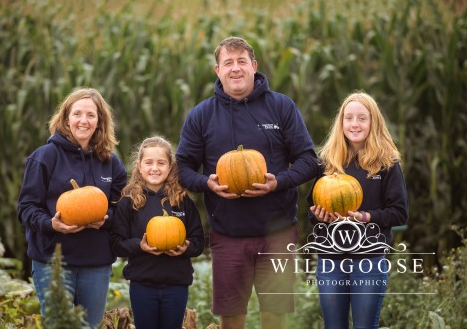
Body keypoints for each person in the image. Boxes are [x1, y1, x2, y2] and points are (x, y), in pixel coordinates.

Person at [176, 36, 318, 329]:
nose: (236, 68)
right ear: (218, 70)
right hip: (228, 234)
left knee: (275, 317)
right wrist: (207, 183)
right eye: (228, 62)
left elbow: (308, 161)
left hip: (278, 233)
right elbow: (182, 168)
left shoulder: (281, 107)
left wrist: (278, 182)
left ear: (254, 66)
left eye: (242, 61)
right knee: (231, 318)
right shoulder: (202, 115)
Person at [17, 88, 127, 328]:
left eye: (91, 115)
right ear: (66, 117)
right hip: (53, 262)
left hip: (96, 263)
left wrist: (107, 218)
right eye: (77, 114)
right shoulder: (44, 157)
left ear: (99, 121)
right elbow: (26, 208)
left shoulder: (110, 162)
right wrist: (50, 224)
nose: (83, 121)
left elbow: (123, 209)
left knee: (89, 326)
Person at [306, 92, 409, 329]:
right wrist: (320, 217)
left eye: (362, 118)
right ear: (341, 123)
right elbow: (311, 212)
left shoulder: (387, 163)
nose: (355, 124)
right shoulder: (328, 162)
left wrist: (366, 217)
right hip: (331, 259)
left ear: (373, 122)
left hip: (369, 259)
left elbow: (399, 213)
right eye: (349, 118)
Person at [110, 136, 205, 329]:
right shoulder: (129, 202)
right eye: (149, 162)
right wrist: (140, 246)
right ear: (139, 166)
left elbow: (198, 241)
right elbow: (116, 244)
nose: (155, 168)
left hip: (176, 284)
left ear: (170, 166)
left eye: (161, 163)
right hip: (142, 284)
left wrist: (186, 248)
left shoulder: (182, 200)